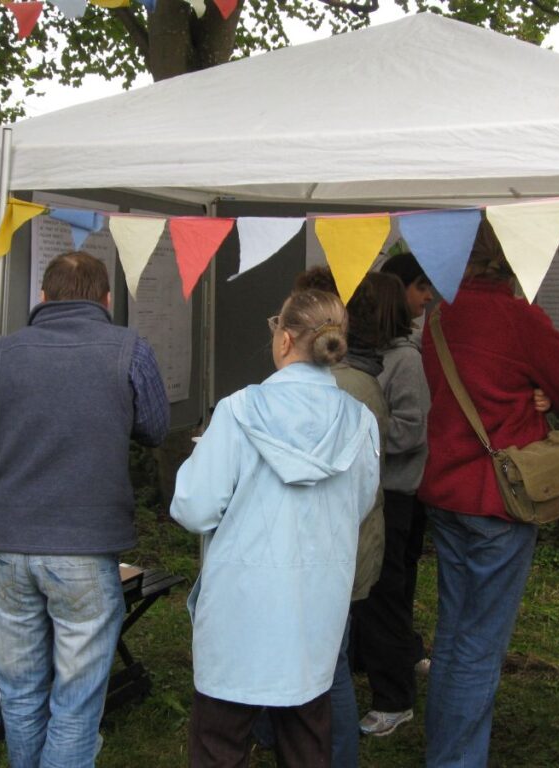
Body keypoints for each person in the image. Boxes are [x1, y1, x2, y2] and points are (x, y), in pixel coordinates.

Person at [0, 251, 170, 768]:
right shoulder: (128, 348)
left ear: (43, 298)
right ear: (106, 299)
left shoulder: (3, 352)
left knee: (22, 693)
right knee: (75, 703)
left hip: (11, 545)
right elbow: (156, 428)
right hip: (87, 548)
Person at [171, 289, 380, 768]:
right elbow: (360, 503)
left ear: (284, 339)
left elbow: (193, 508)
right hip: (317, 604)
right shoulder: (360, 421)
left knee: (219, 743)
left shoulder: (239, 412)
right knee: (307, 739)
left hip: (240, 607)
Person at [419, 220, 559, 767]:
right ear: (510, 261)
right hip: (501, 499)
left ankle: (442, 748)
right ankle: (454, 760)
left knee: (453, 634)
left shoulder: (438, 317)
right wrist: (539, 391)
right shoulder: (518, 319)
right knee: (479, 645)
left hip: (446, 492)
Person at [292, 267, 391, 766]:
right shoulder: (351, 380)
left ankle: (334, 753)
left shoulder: (345, 387)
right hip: (337, 549)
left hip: (333, 552)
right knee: (323, 659)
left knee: (328, 668)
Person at [351, 260, 432, 737]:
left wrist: (362, 430)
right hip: (371, 491)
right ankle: (372, 666)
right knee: (371, 592)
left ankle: (395, 698)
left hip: (395, 495)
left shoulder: (405, 361)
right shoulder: (376, 357)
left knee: (385, 596)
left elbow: (412, 430)